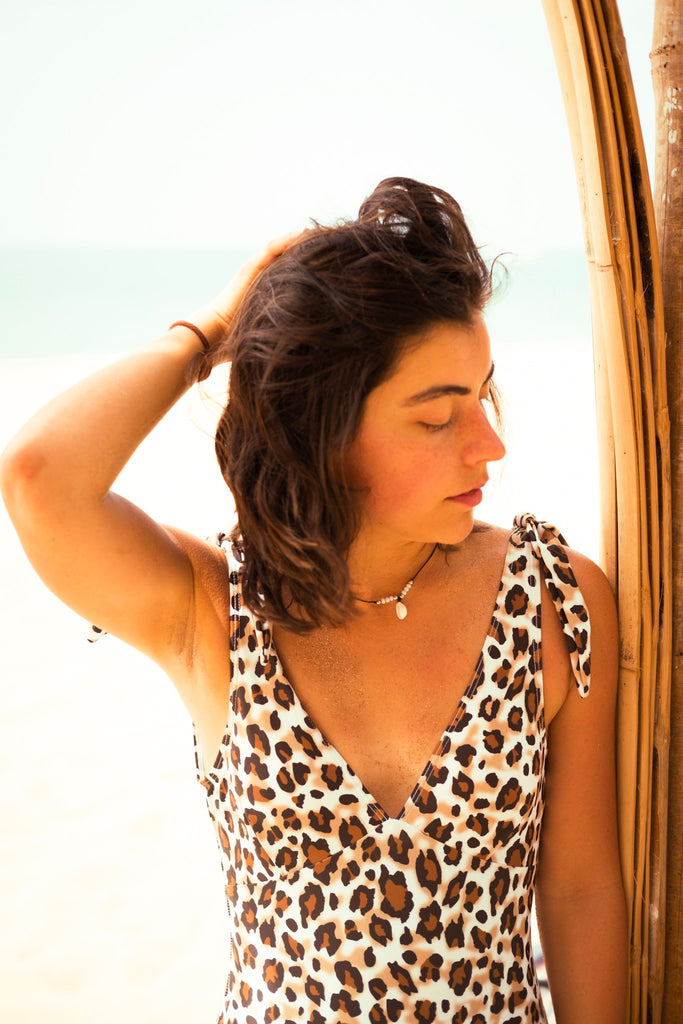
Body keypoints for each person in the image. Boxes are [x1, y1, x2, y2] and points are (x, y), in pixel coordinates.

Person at [1, 177, 626, 1023]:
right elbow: (40, 479)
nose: (489, 445)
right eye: (436, 419)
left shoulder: (550, 601)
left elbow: (583, 891)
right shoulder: (211, 614)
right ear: (322, 429)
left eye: (481, 394)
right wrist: (212, 335)